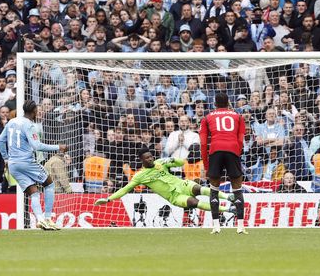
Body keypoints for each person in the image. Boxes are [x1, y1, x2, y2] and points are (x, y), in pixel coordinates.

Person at [94, 147, 233, 214]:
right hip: (174, 196)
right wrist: (108, 199)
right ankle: (228, 209)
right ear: (141, 160)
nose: (150, 159)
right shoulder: (139, 176)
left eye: (151, 156)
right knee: (193, 202)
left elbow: (181, 163)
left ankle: (228, 196)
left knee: (198, 188)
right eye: (147, 158)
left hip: (181, 184)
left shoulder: (161, 162)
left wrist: (172, 159)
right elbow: (124, 190)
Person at [0, 100, 67, 230]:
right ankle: (47, 218)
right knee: (49, 183)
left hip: (13, 165)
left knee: (33, 192)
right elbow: (36, 146)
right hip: (26, 162)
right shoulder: (29, 125)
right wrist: (58, 147)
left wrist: (6, 158)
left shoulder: (11, 122)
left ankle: (40, 220)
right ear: (34, 111)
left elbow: (0, 140)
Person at [199, 92, 247, 234]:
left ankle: (216, 226)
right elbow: (240, 140)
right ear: (228, 103)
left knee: (214, 189)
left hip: (215, 151)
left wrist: (207, 164)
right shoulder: (238, 117)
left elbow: (203, 143)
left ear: (215, 103)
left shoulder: (206, 118)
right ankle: (240, 226)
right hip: (232, 150)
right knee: (237, 188)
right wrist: (236, 154)